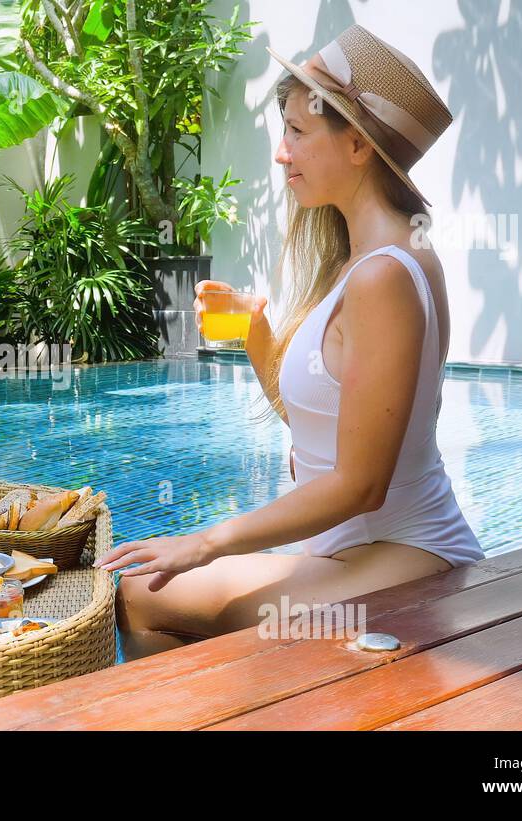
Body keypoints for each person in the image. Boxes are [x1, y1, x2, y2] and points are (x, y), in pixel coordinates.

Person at [98, 25, 484, 661]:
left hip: (410, 563)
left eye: (298, 132)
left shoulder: (384, 275)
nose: (281, 154)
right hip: (358, 554)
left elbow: (361, 484)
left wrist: (209, 541)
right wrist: (258, 337)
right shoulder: (373, 259)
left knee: (142, 593)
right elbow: (326, 428)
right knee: (149, 588)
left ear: (357, 144)